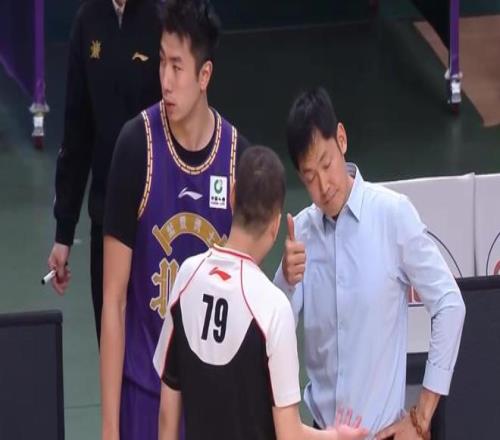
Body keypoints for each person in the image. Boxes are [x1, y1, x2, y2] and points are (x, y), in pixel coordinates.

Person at [274, 87, 466, 440]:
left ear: (342, 139)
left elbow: (450, 304)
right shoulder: (300, 232)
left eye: (327, 165)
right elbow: (272, 329)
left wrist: (421, 416)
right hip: (320, 433)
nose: (323, 185)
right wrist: (286, 280)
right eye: (309, 177)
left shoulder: (393, 215)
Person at [100, 0, 250, 438]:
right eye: (162, 62)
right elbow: (114, 300)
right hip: (144, 396)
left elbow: (248, 299)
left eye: (178, 67)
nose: (165, 80)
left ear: (205, 76)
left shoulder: (238, 158)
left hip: (211, 405)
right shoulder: (135, 147)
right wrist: (109, 428)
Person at [153, 146, 368, 440]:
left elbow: (167, 415)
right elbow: (289, 434)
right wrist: (338, 437)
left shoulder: (186, 278)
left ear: (232, 195)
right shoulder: (272, 307)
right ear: (276, 224)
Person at [47, 0, 162, 340]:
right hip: (107, 217)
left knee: (157, 342)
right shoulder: (87, 22)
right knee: (111, 337)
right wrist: (63, 233)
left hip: (158, 217)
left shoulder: (163, 16)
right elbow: (76, 132)